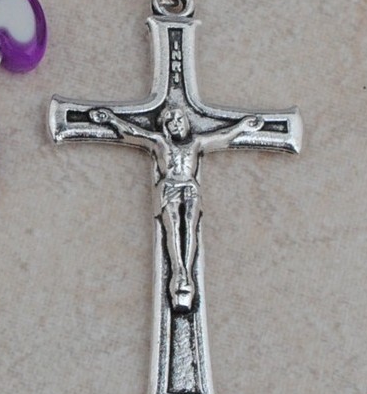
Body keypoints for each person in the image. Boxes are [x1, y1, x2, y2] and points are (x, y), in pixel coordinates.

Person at [89, 106, 263, 311]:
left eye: (180, 119)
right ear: (165, 127)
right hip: (169, 188)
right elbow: (133, 132)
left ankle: (186, 273)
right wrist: (111, 119)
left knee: (190, 228)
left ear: (187, 122)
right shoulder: (160, 143)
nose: (176, 125)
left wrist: (242, 127)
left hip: (189, 188)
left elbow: (223, 136)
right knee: (172, 229)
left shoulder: (197, 143)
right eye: (170, 122)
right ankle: (178, 270)